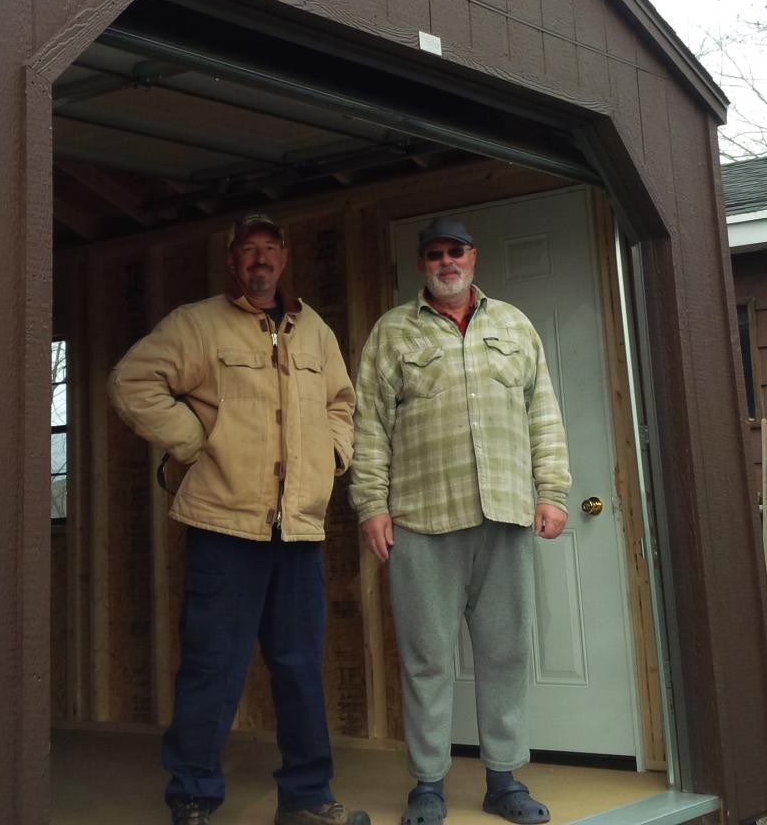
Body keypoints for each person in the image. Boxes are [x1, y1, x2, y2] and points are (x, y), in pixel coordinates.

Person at [110, 214, 371, 825]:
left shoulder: (316, 333)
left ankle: (306, 800)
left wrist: (334, 455)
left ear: (284, 259)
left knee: (301, 669)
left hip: (299, 532)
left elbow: (341, 403)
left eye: (270, 249)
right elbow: (131, 380)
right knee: (212, 667)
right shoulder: (197, 324)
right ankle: (194, 798)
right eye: (248, 250)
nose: (260, 260)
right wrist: (197, 444)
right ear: (232, 261)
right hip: (224, 527)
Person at [350, 216, 571, 825]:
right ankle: (427, 783)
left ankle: (504, 780)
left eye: (455, 252)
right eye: (433, 254)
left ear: (473, 258)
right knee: (425, 659)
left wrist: (550, 492)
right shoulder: (392, 332)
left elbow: (543, 414)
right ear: (422, 263)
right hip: (420, 519)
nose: (445, 262)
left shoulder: (514, 324)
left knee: (505, 653)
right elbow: (367, 425)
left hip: (504, 515)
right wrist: (371, 505)